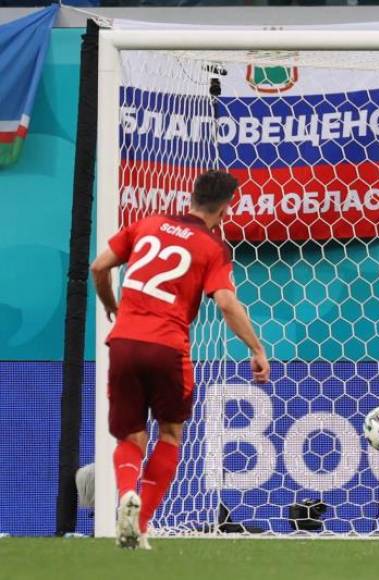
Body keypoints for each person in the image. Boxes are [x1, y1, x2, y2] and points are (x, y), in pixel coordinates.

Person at [90, 170, 269, 549]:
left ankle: (126, 495)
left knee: (129, 435)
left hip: (123, 341)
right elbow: (225, 302)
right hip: (168, 347)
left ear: (192, 195)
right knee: (170, 433)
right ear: (226, 207)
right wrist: (256, 348)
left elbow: (98, 266)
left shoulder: (147, 224)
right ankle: (140, 525)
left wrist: (111, 305)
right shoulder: (213, 247)